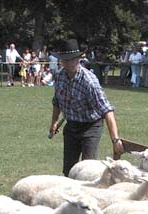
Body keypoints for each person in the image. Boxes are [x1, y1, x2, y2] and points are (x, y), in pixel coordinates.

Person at [49, 39, 124, 177]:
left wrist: (115, 140)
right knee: (69, 171)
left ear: (78, 59)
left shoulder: (89, 82)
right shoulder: (59, 76)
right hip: (71, 126)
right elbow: (57, 102)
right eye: (64, 60)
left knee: (87, 170)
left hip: (91, 127)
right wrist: (54, 122)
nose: (67, 63)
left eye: (71, 59)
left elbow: (107, 110)